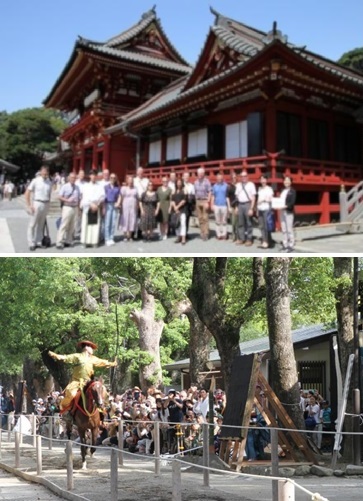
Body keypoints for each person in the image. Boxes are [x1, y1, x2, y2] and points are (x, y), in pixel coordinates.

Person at [48, 340, 117, 416]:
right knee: (71, 394)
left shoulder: (93, 358)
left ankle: (104, 409)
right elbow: (66, 357)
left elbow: (102, 362)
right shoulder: (77, 356)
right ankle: (65, 410)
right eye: (91, 348)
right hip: (77, 382)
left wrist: (112, 363)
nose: (92, 350)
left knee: (102, 389)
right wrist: (56, 355)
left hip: (89, 382)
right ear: (87, 347)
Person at [25, 166, 52, 251]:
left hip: (45, 203)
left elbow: (49, 194)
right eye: (43, 172)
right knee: (32, 224)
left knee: (41, 224)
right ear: (40, 172)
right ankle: (31, 243)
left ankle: (38, 241)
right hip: (37, 203)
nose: (45, 173)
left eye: (46, 172)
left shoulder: (49, 182)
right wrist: (29, 205)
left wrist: (48, 205)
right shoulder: (35, 181)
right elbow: (27, 193)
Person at [80, 170, 105, 247]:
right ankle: (85, 241)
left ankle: (94, 242)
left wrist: (97, 204)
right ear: (90, 176)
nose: (93, 176)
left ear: (96, 176)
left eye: (94, 175)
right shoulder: (86, 186)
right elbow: (84, 197)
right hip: (88, 206)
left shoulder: (99, 186)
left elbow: (102, 196)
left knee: (95, 225)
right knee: (86, 225)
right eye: (92, 175)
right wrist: (90, 204)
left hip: (96, 206)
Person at [56, 172, 81, 249]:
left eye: (74, 178)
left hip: (75, 207)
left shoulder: (77, 187)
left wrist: (79, 208)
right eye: (72, 177)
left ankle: (68, 241)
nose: (73, 179)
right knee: (64, 224)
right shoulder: (65, 186)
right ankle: (59, 242)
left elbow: (79, 198)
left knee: (72, 226)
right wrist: (67, 200)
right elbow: (59, 196)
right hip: (67, 207)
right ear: (69, 178)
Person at [235, 170, 256, 246]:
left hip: (247, 204)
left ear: (247, 177)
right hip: (240, 204)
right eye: (242, 176)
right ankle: (241, 238)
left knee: (249, 223)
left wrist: (251, 208)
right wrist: (236, 207)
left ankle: (249, 239)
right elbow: (236, 197)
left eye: (245, 176)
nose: (243, 178)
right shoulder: (238, 185)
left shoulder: (251, 184)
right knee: (240, 223)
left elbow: (253, 197)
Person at [194, 167, 212, 241]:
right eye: (199, 173)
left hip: (204, 200)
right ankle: (202, 232)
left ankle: (206, 233)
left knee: (205, 218)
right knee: (200, 218)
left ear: (203, 173)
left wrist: (208, 201)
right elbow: (195, 192)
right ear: (197, 174)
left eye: (201, 173)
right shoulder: (195, 182)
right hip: (198, 200)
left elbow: (210, 191)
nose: (200, 174)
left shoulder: (207, 181)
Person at [256, 175, 274, 249]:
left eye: (264, 179)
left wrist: (263, 200)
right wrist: (257, 209)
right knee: (261, 226)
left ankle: (267, 241)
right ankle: (264, 241)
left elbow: (270, 199)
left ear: (266, 180)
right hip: (260, 208)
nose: (263, 181)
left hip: (266, 209)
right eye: (261, 179)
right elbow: (258, 200)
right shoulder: (259, 189)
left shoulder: (269, 189)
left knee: (267, 226)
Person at [211, 173, 230, 240]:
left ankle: (224, 234)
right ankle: (218, 234)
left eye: (220, 178)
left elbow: (227, 196)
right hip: (216, 205)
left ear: (222, 178)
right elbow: (213, 196)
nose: (219, 179)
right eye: (218, 178)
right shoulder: (214, 186)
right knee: (217, 221)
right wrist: (212, 204)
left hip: (224, 205)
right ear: (216, 179)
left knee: (224, 221)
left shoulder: (226, 186)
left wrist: (228, 206)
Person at [279, 177, 296, 252]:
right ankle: (285, 244)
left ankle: (291, 244)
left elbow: (292, 202)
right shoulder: (282, 191)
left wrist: (286, 206)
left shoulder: (293, 191)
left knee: (289, 229)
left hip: (288, 211)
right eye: (285, 180)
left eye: (288, 180)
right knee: (283, 228)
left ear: (291, 182)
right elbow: (280, 200)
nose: (286, 182)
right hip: (282, 211)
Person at [104, 173, 121, 246]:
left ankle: (111, 237)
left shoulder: (117, 187)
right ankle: (107, 238)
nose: (112, 179)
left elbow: (120, 196)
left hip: (114, 205)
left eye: (114, 178)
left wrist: (118, 203)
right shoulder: (106, 187)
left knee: (113, 222)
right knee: (107, 222)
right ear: (109, 178)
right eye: (111, 177)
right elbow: (103, 197)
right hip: (108, 204)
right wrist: (103, 207)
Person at [120, 175, 138, 241]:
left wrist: (137, 206)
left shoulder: (135, 188)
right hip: (125, 206)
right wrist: (120, 206)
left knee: (132, 220)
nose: (130, 181)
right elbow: (121, 197)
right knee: (125, 219)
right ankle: (125, 236)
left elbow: (137, 198)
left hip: (133, 206)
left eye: (131, 180)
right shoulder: (124, 188)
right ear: (127, 181)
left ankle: (130, 236)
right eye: (129, 180)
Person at [170, 178, 188, 245]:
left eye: (180, 182)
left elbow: (184, 200)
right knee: (176, 224)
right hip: (175, 209)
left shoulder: (184, 190)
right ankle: (178, 237)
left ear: (182, 183)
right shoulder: (174, 190)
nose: (179, 184)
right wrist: (175, 207)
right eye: (178, 182)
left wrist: (178, 207)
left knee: (183, 223)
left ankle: (183, 238)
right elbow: (172, 200)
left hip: (182, 209)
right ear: (176, 183)